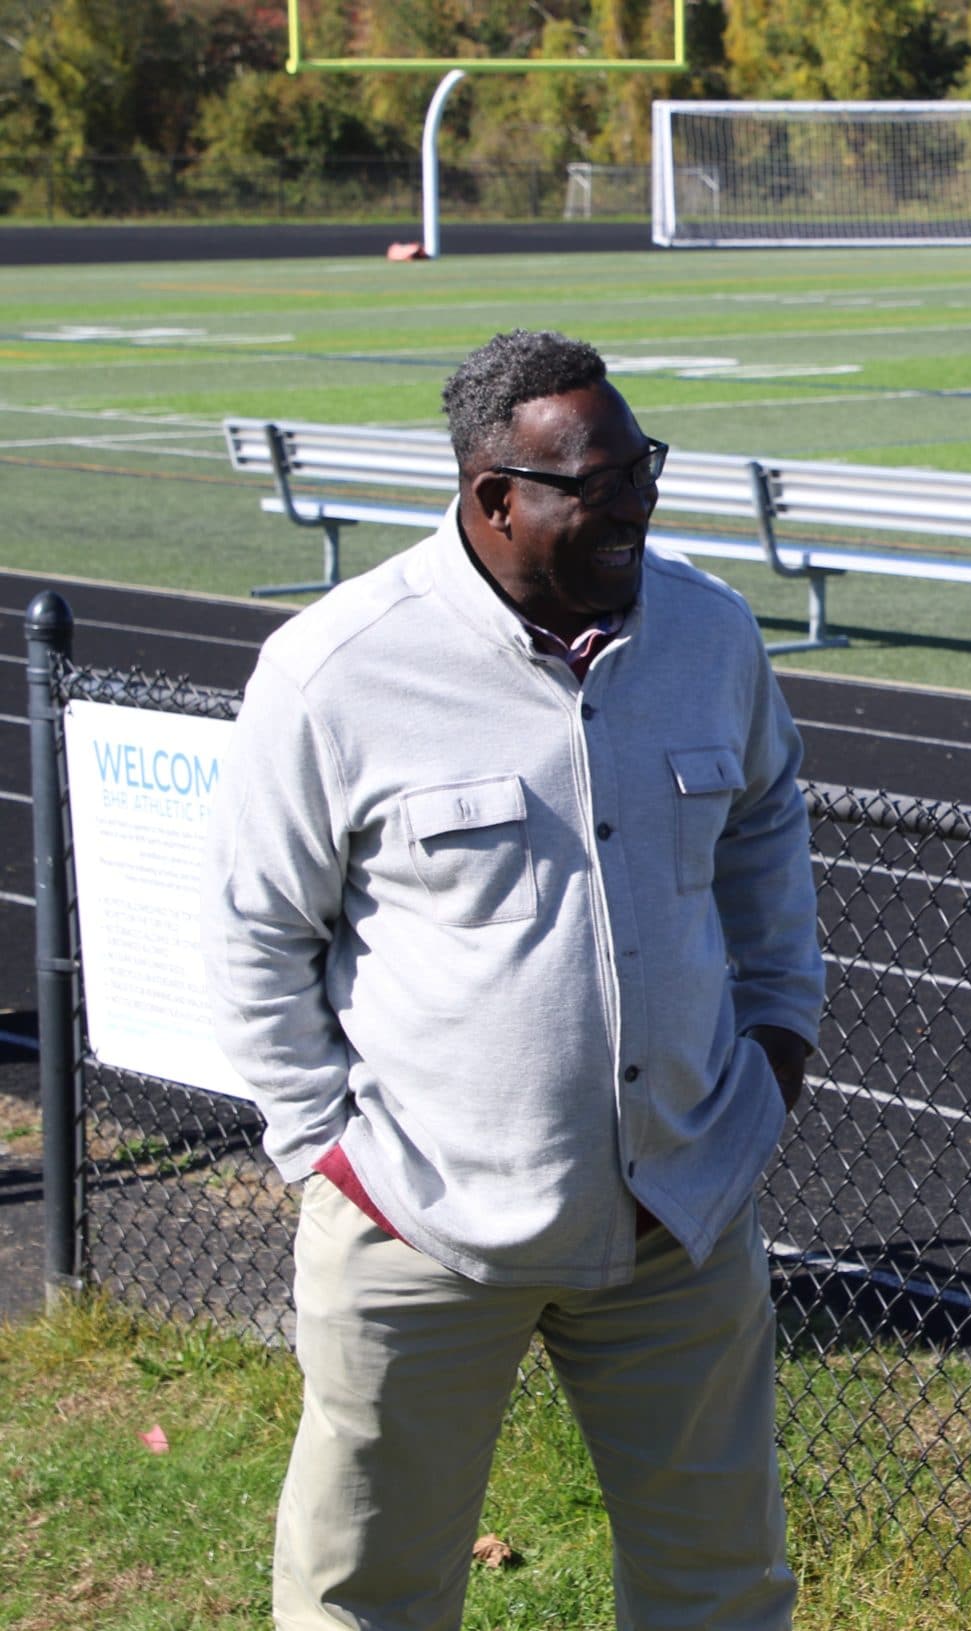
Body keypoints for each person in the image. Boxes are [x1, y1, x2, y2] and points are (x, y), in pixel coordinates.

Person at [205, 329, 824, 1631]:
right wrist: (335, 1149)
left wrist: (777, 1038)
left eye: (642, 468)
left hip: (677, 1210)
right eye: (597, 484)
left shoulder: (708, 632)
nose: (636, 506)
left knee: (724, 1582)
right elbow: (259, 934)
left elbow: (766, 822)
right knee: (366, 1585)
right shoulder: (338, 667)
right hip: (420, 1221)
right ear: (496, 496)